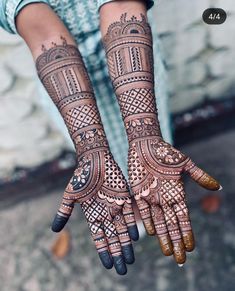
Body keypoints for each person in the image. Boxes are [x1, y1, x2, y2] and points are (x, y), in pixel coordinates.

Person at [0, 0, 221, 276]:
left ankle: (143, 201)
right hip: (65, 86)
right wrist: (92, 149)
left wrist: (144, 135)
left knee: (150, 146)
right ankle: (130, 204)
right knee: (104, 163)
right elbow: (44, 35)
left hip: (134, 58)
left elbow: (121, 6)